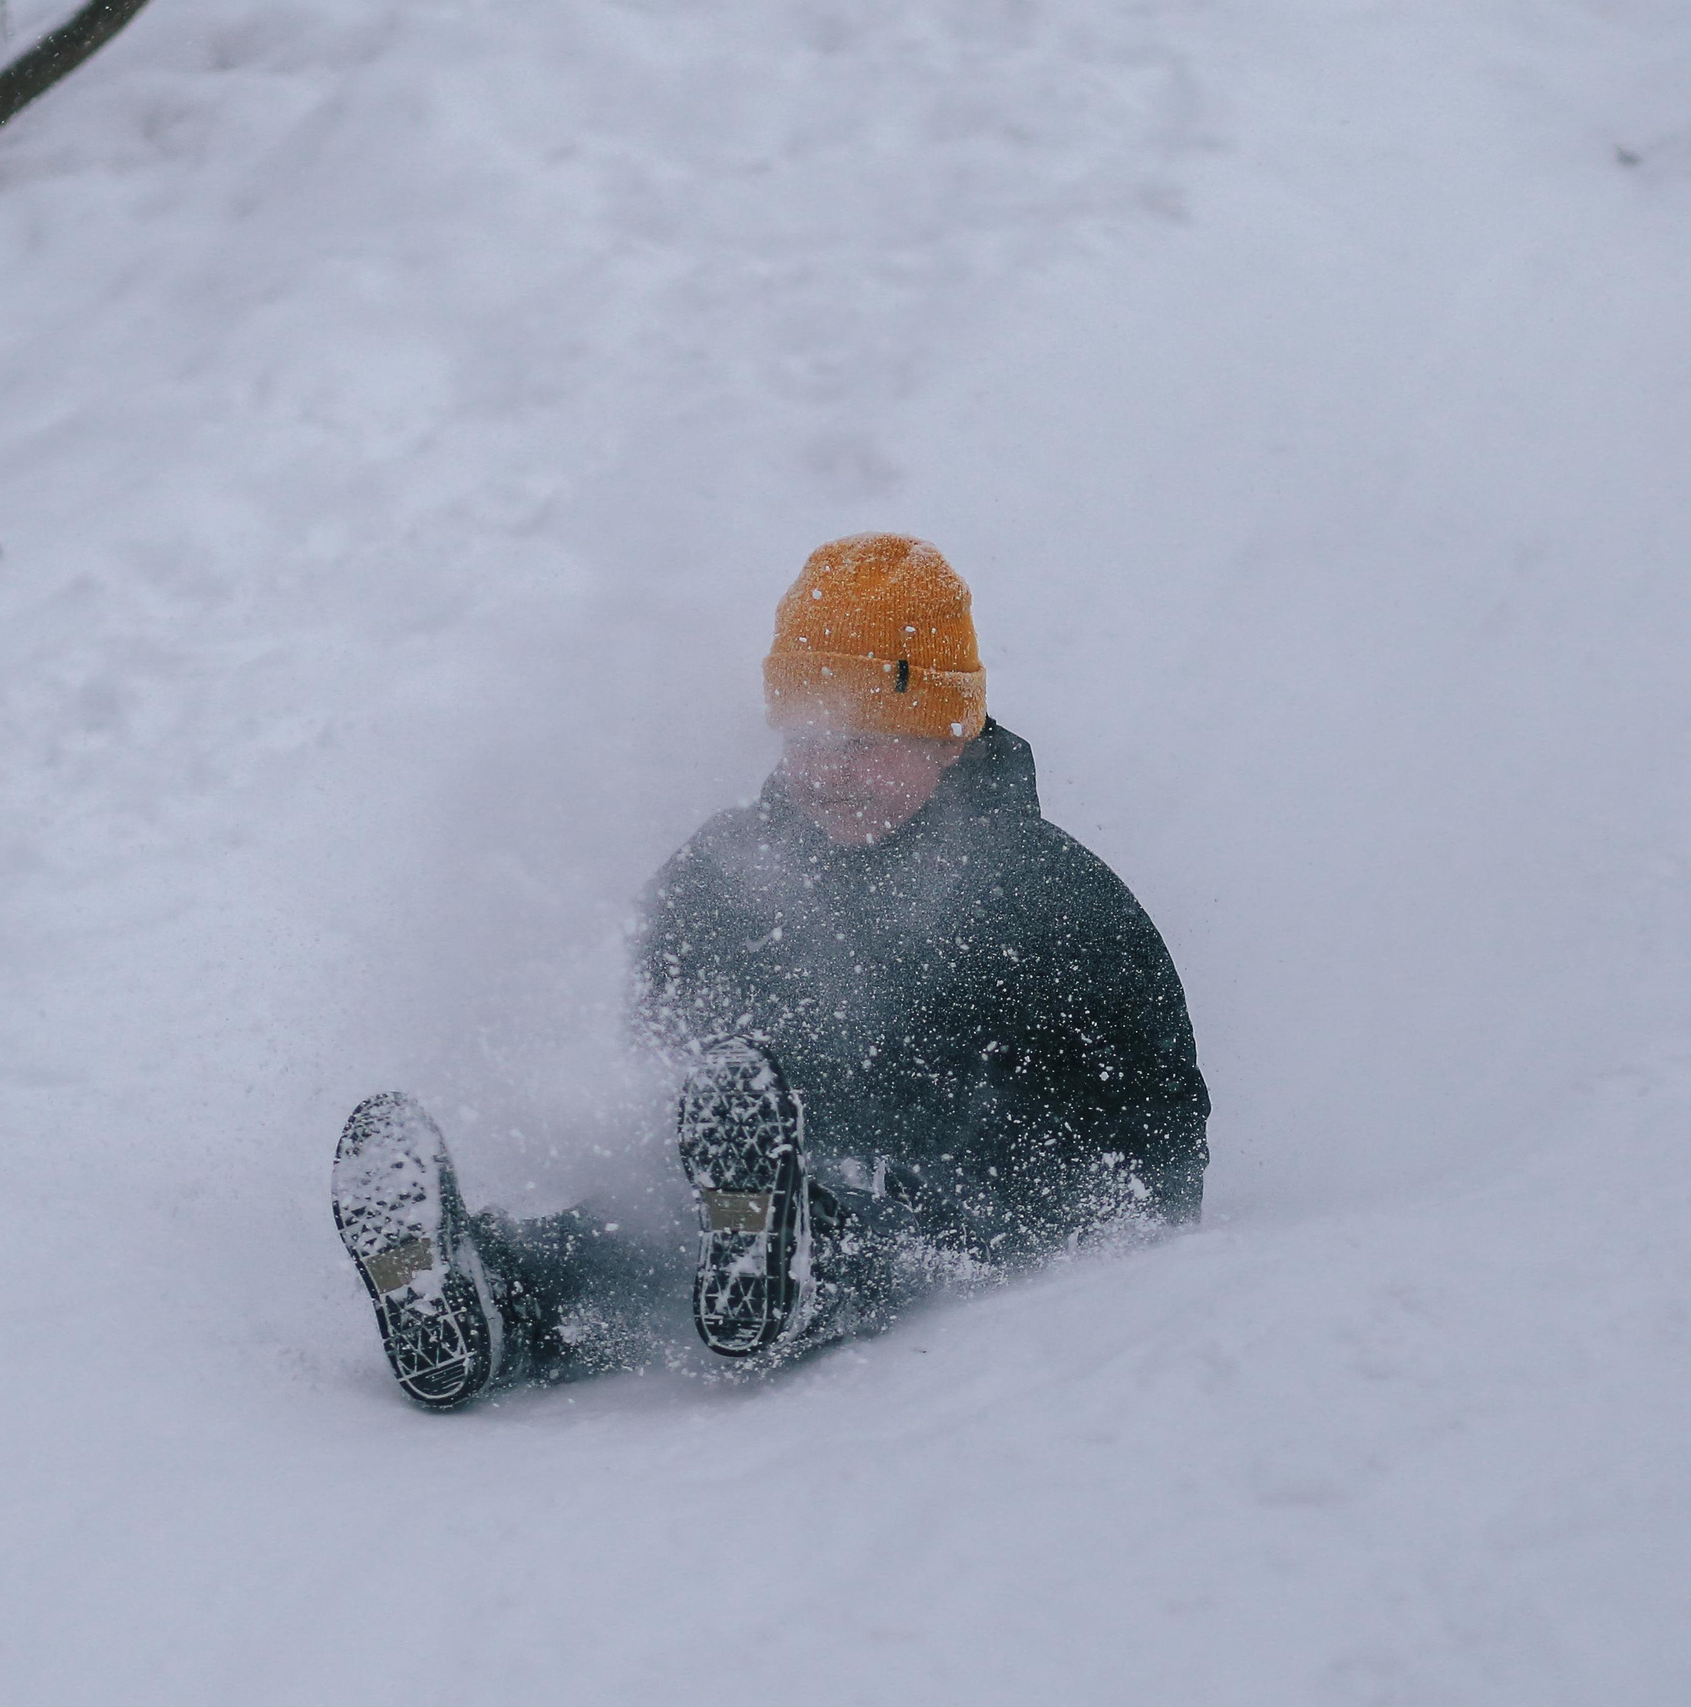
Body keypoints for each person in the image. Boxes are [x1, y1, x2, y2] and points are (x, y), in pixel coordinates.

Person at [330, 534, 1211, 1407]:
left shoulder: (1054, 900)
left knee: (898, 1222)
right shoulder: (727, 872)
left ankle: (798, 1268)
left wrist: (1083, 1214)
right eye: (807, 739)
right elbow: (663, 1043)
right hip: (755, 1194)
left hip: (985, 1202)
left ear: (948, 734)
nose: (828, 771)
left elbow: (1159, 1136)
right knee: (646, 1224)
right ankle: (496, 1300)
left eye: (864, 741)